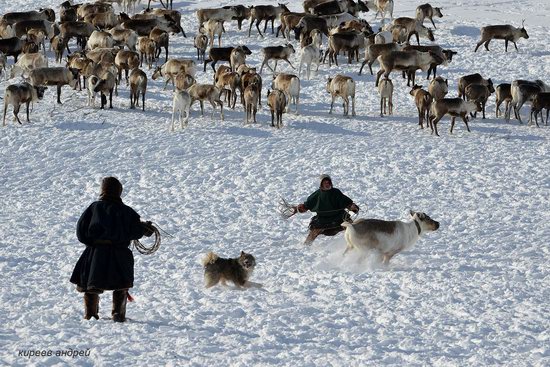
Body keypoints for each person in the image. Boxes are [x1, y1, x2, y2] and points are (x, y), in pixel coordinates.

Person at [70, 177, 153, 322]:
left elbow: (81, 231)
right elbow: (136, 230)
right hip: (119, 253)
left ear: (103, 190)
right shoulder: (127, 212)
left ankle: (90, 314)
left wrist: (92, 243)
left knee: (91, 284)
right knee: (121, 285)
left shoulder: (94, 208)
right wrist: (146, 229)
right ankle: (118, 314)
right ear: (118, 191)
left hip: (96, 253)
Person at [297, 174, 359, 245]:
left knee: (352, 228)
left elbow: (346, 202)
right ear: (321, 184)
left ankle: (359, 241)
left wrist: (353, 207)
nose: (327, 184)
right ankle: (306, 246)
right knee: (314, 231)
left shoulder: (336, 192)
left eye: (328, 182)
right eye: (325, 183)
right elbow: (307, 205)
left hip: (339, 217)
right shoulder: (317, 194)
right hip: (323, 219)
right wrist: (301, 208)